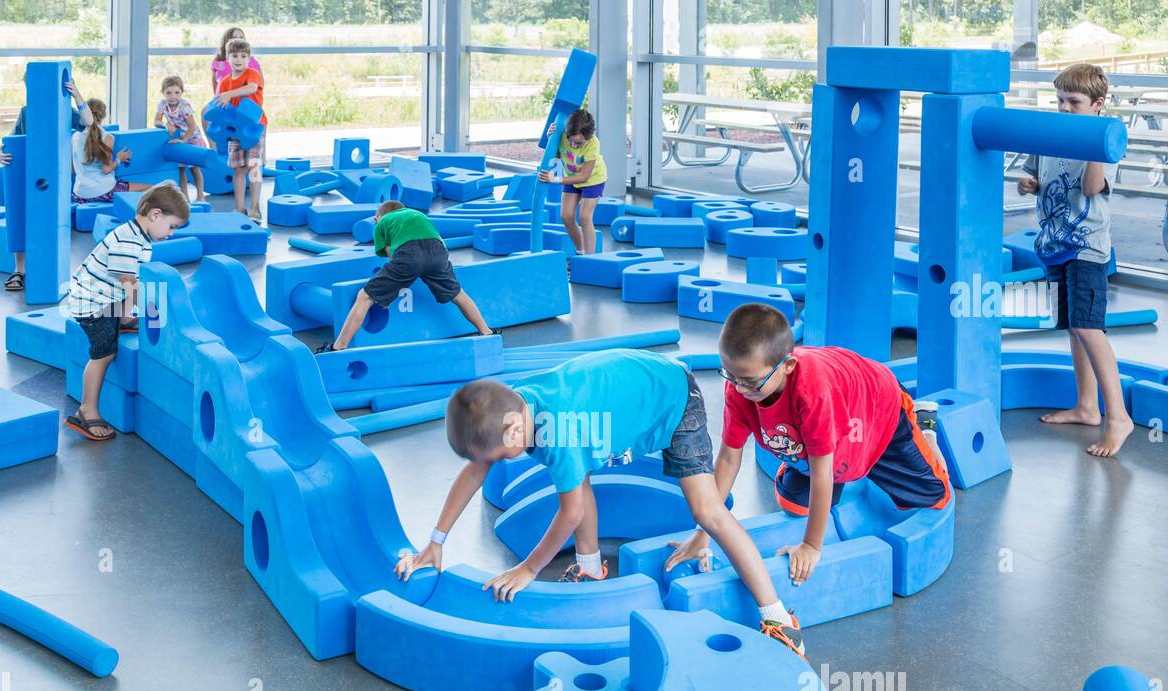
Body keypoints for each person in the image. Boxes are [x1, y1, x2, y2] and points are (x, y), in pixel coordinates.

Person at [396, 349, 807, 656]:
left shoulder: (558, 432)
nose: (501, 463)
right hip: (629, 388)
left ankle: (777, 617)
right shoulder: (512, 408)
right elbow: (475, 469)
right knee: (578, 480)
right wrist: (436, 540)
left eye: (503, 455)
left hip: (673, 399)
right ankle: (591, 568)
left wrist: (528, 568)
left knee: (706, 510)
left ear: (514, 425)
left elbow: (570, 511)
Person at [665, 304, 950, 594]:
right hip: (831, 435)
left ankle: (925, 429)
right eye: (731, 376)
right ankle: (804, 453)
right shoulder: (742, 385)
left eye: (749, 381)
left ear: (787, 366)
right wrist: (705, 532)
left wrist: (812, 545)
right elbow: (728, 458)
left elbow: (822, 472)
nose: (739, 389)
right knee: (795, 504)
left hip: (877, 410)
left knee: (934, 495)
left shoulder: (814, 393)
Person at [1017, 62, 1132, 458]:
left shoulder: (1104, 140)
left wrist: (1092, 142)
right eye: (1060, 100)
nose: (1065, 107)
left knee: (1089, 328)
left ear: (1097, 105)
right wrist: (1029, 185)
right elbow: (1033, 179)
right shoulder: (1050, 135)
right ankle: (1087, 407)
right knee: (1073, 329)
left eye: (1075, 102)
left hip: (1087, 247)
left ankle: (1118, 416)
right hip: (1053, 244)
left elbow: (1091, 186)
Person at [63, 183, 191, 442]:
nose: (171, 233)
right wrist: (155, 313)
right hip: (91, 303)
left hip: (105, 296)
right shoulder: (127, 241)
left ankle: (120, 318)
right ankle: (86, 410)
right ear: (155, 215)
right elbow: (129, 284)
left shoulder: (139, 236)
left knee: (130, 292)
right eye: (172, 226)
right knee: (105, 353)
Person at [317, 200, 495, 353]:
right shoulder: (419, 215)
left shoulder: (381, 222)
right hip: (438, 252)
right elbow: (441, 245)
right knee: (458, 294)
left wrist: (386, 296)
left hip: (408, 255)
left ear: (376, 218)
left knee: (364, 297)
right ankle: (487, 332)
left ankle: (338, 347)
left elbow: (393, 256)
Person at [0, 77, 92, 293]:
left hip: (52, 176)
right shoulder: (26, 111)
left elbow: (88, 121)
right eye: (30, 87)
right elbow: (12, 140)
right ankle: (20, 270)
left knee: (50, 221)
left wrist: (76, 94)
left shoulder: (64, 110)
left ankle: (50, 269)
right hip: (28, 172)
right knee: (20, 217)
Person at [539, 109, 606, 259]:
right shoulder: (563, 133)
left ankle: (591, 259)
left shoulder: (593, 143)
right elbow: (557, 154)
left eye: (579, 143)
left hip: (592, 180)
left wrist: (555, 179)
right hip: (571, 177)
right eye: (571, 141)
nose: (574, 146)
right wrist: (551, 138)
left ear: (588, 138)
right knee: (566, 216)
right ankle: (581, 251)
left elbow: (584, 176)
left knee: (584, 217)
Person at [214, 37, 267, 221]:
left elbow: (251, 89)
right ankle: (239, 208)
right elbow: (220, 107)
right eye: (234, 55)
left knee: (253, 166)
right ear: (227, 58)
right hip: (235, 131)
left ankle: (255, 207)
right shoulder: (224, 82)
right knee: (238, 169)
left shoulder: (252, 74)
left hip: (255, 128)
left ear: (249, 58)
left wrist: (228, 94)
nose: (238, 59)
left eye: (243, 56)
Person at [71, 99, 153, 205]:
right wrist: (119, 159)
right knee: (150, 188)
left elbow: (72, 170)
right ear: (104, 116)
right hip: (105, 191)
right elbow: (106, 169)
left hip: (80, 194)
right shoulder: (107, 137)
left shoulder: (74, 136)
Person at [154, 75, 207, 202]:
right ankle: (185, 198)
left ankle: (201, 196)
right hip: (178, 140)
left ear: (182, 92)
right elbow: (156, 121)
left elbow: (192, 126)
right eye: (169, 93)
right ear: (163, 93)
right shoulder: (162, 104)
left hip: (192, 138)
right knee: (181, 169)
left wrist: (183, 141)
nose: (173, 96)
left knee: (195, 169)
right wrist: (166, 124)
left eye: (177, 92)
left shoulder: (184, 106)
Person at [210, 26, 263, 95]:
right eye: (234, 37)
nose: (238, 40)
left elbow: (259, 84)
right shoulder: (218, 61)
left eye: (241, 37)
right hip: (224, 102)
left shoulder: (252, 62)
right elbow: (215, 86)